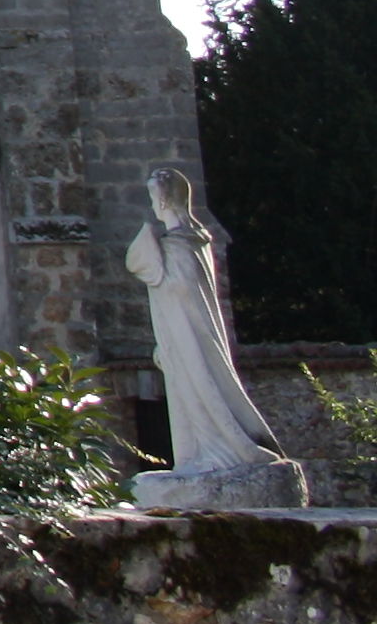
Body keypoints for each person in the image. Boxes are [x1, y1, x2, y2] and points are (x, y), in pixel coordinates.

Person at [124, 164, 307, 509]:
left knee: (201, 387)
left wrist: (155, 267)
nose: (153, 204)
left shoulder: (183, 245)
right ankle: (196, 459)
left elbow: (183, 291)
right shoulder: (186, 243)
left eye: (154, 196)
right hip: (179, 339)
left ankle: (216, 456)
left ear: (168, 199)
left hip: (191, 340)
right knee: (188, 393)